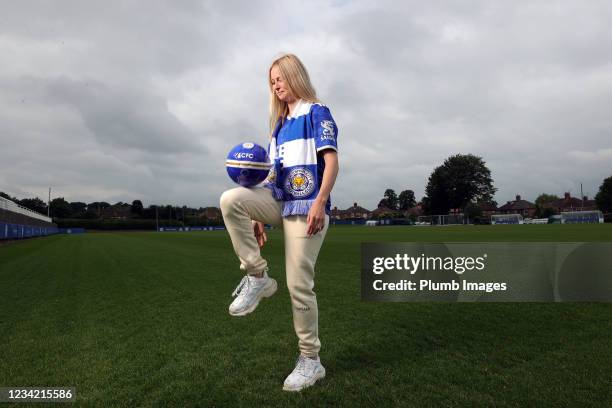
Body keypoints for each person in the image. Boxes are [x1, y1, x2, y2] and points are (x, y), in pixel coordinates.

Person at [219, 53, 339, 392]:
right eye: (272, 81)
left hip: (306, 207)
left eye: (280, 78)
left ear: (295, 76)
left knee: (299, 284)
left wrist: (319, 202)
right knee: (232, 200)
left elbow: (331, 163)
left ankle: (310, 360)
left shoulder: (317, 112)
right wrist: (257, 215)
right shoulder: (278, 126)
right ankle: (257, 276)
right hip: (279, 201)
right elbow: (273, 175)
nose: (276, 85)